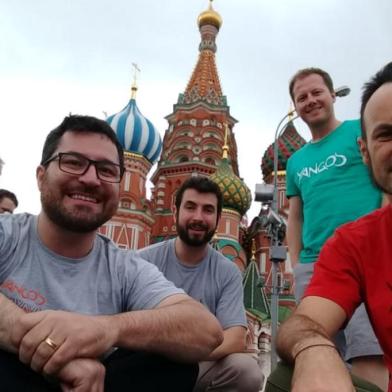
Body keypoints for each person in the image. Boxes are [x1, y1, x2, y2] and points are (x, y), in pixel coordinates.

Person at [0, 115, 224, 392]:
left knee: (172, 361)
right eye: (73, 162)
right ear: (41, 176)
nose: (90, 178)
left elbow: (205, 330)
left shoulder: (123, 267)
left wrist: (104, 330)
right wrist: (59, 356)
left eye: (106, 170)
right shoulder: (8, 234)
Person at [267, 62, 392, 391]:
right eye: (301, 97)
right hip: (316, 262)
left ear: (333, 95)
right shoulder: (295, 161)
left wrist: (381, 232)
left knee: (368, 351)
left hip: (367, 255)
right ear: (294, 107)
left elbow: (383, 185)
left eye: (316, 92)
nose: (310, 100)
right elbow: (295, 215)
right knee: (315, 351)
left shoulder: (356, 131)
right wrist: (296, 263)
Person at [138, 176, 263, 392]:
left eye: (207, 210)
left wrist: (186, 353)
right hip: (147, 362)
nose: (198, 217)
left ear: (218, 218)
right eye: (190, 207)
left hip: (199, 362)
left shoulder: (227, 271)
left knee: (248, 372)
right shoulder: (143, 261)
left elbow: (236, 338)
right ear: (175, 212)